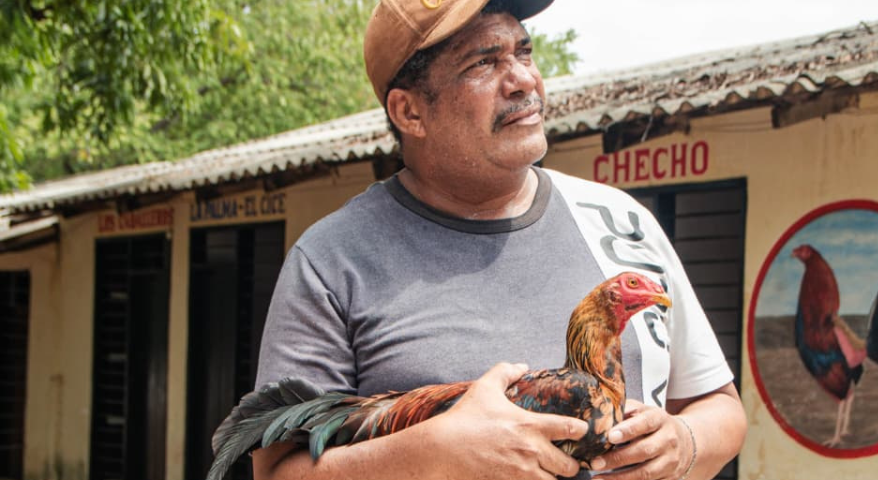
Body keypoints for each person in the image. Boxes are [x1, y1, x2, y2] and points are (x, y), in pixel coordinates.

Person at [250, 0, 746, 478]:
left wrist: (684, 445)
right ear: (410, 112)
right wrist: (432, 455)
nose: (523, 80)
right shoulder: (331, 259)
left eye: (523, 52)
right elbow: (277, 471)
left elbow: (720, 407)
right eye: (483, 63)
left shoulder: (622, 220)